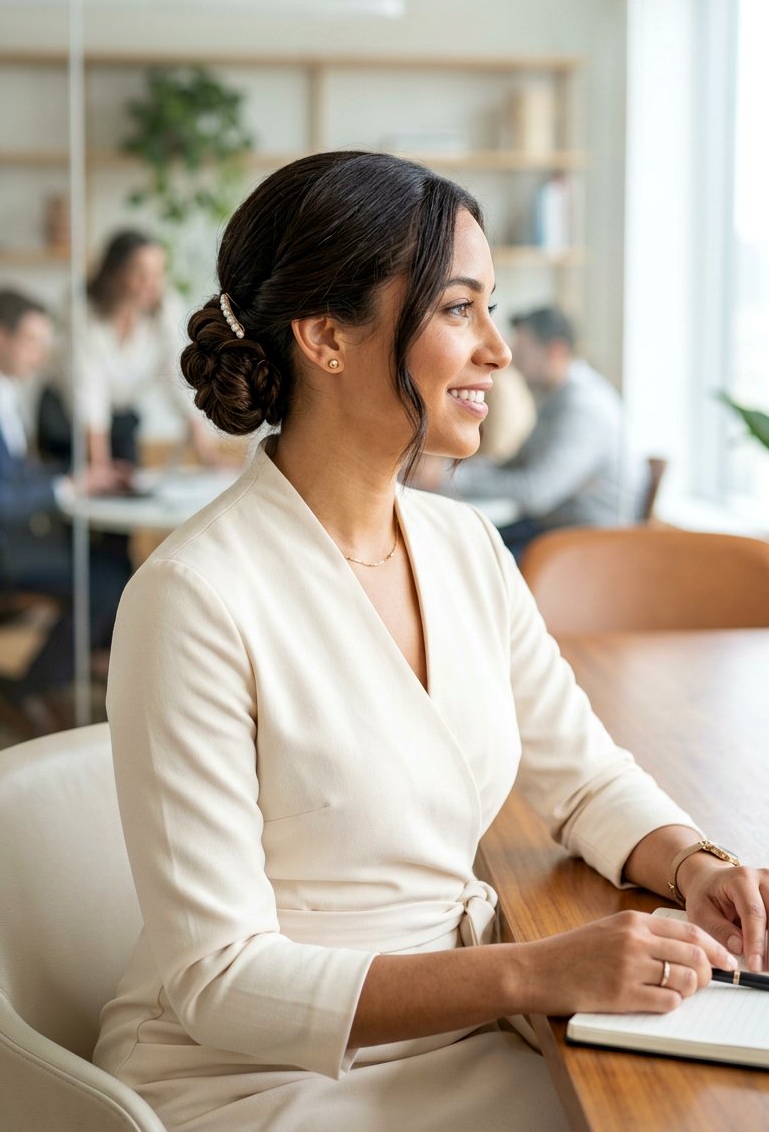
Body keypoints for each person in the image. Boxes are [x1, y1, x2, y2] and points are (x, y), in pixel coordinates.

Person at [93, 152, 768, 1132]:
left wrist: (699, 868)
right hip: (258, 1079)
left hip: (464, 1034)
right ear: (325, 335)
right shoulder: (193, 598)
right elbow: (221, 981)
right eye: (459, 308)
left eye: (492, 308)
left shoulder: (464, 547)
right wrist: (535, 971)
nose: (496, 349)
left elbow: (584, 778)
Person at [0, 287, 129, 726]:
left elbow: (12, 473)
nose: (41, 357)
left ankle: (80, 672)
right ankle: (28, 693)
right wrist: (67, 488)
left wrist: (76, 478)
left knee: (114, 560)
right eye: (33, 342)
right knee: (102, 583)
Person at [441, 306, 639, 560]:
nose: (511, 360)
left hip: (587, 548)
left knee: (466, 557)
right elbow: (515, 465)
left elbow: (536, 492)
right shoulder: (558, 397)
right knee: (463, 542)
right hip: (551, 530)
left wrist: (449, 480)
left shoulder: (584, 407)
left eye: (522, 351)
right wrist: (449, 471)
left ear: (555, 350)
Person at [38, 228, 225, 470]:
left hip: (120, 418)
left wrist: (205, 450)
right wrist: (100, 466)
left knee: (128, 482)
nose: (152, 284)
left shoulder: (166, 307)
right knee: (78, 485)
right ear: (114, 274)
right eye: (141, 274)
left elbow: (176, 373)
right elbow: (89, 388)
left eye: (158, 273)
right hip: (66, 420)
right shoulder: (81, 309)